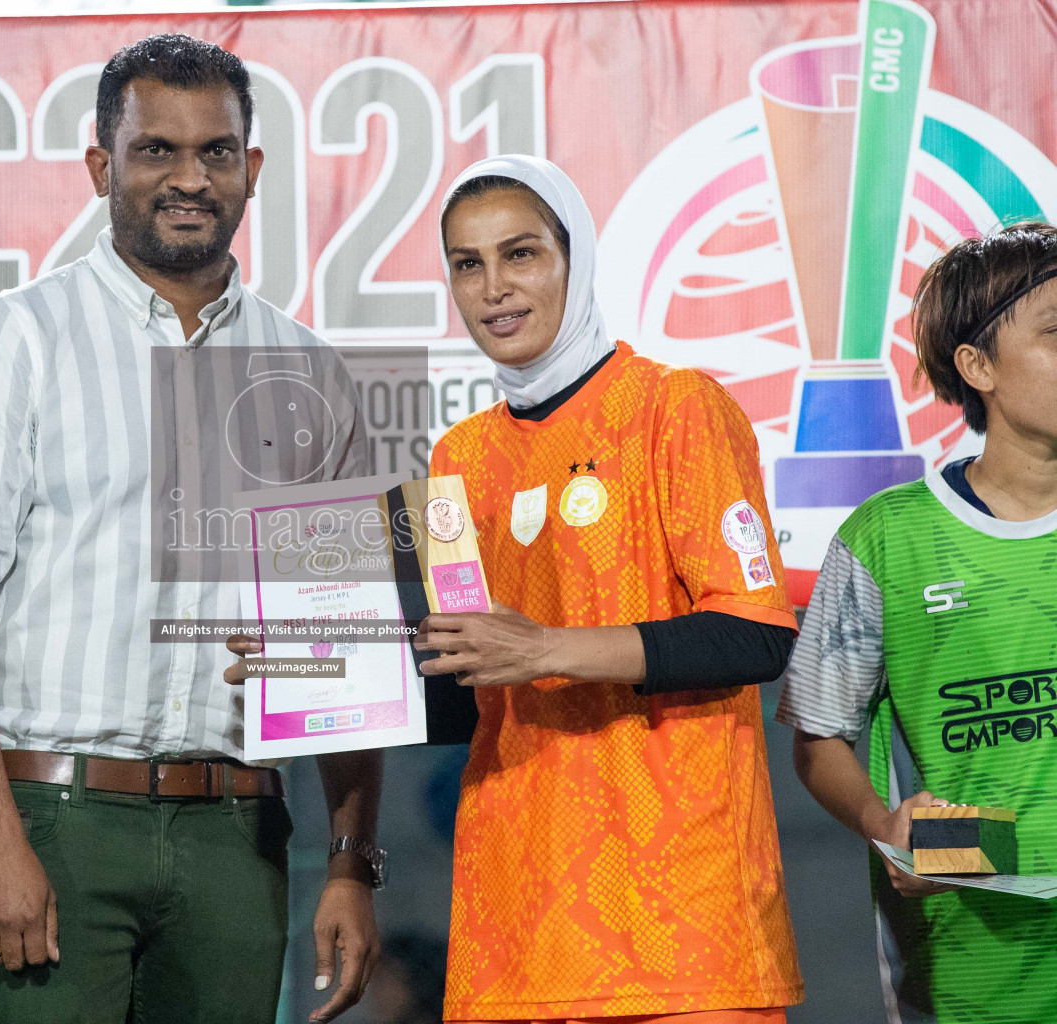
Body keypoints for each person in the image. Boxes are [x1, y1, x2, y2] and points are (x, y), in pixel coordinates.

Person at [0, 34, 381, 1024]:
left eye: (214, 151)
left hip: (238, 834)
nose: (188, 177)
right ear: (99, 166)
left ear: (251, 169)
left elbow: (347, 647)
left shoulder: (310, 370)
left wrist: (350, 863)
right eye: (156, 149)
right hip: (55, 818)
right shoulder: (20, 334)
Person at [413, 155, 804, 1023]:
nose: (493, 288)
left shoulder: (677, 407)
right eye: (467, 264)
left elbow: (757, 636)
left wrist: (545, 649)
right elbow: (458, 690)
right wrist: (315, 670)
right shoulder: (456, 459)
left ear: (573, 257)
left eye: (521, 254)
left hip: (680, 923)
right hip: (515, 928)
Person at [776, 223, 1057, 1024]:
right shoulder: (885, 539)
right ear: (977, 366)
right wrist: (885, 823)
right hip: (968, 973)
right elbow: (818, 737)